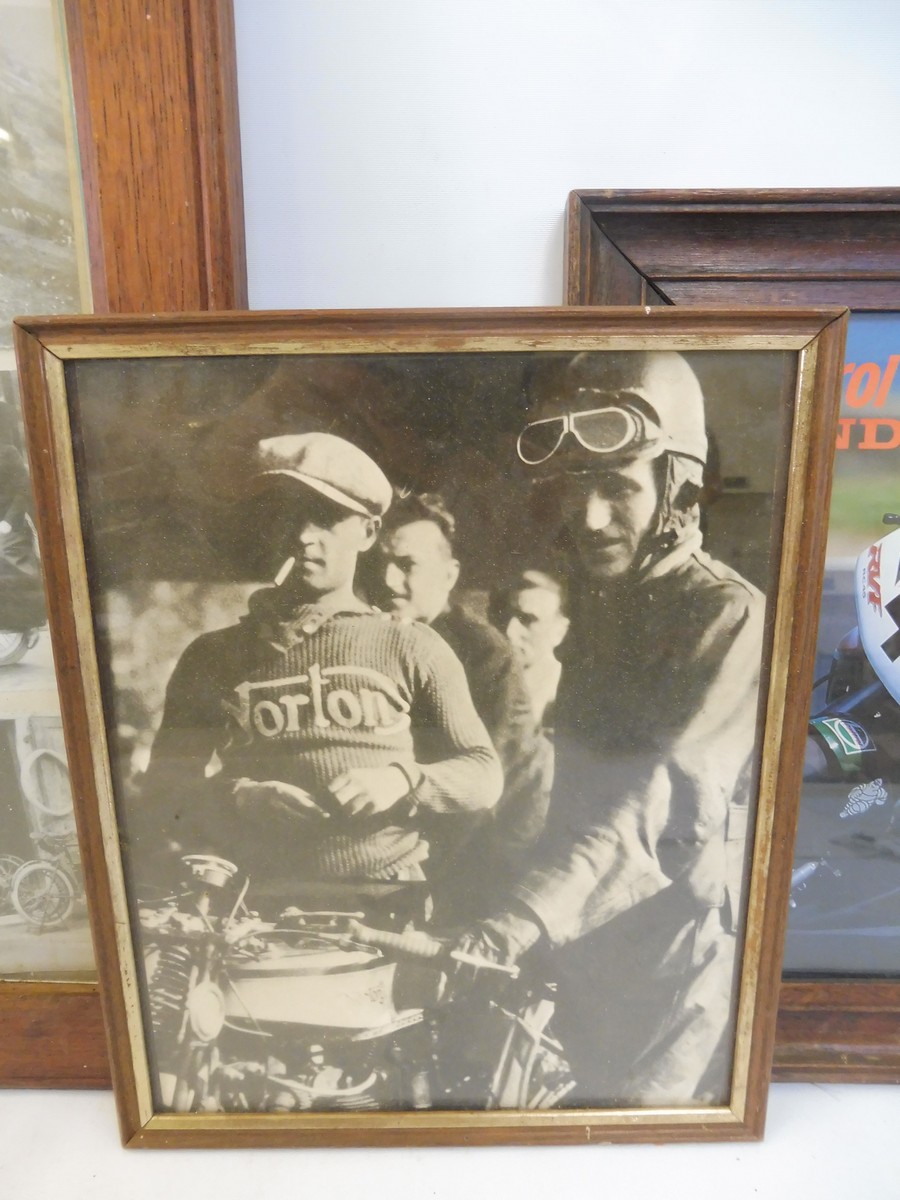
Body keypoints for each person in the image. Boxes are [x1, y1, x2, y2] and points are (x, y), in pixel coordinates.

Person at [459, 350, 766, 1108]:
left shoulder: (727, 614)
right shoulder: (598, 607)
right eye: (575, 489)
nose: (590, 518)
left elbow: (657, 801)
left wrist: (520, 918)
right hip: (578, 965)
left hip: (675, 979)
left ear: (680, 489)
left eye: (619, 488)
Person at [136, 433, 502, 897]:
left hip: (385, 907)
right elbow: (162, 794)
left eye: (327, 518)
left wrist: (403, 780)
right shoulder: (214, 657)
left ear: (369, 532)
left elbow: (484, 774)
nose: (305, 536)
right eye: (287, 515)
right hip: (252, 911)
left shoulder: (409, 646)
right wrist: (239, 797)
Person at [371, 493, 550, 913]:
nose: (388, 581)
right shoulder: (374, 639)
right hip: (402, 857)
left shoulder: (484, 653)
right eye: (380, 565)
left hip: (484, 862)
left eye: (407, 565)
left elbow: (481, 789)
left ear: (449, 575)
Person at [491, 569, 569, 734]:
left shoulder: (567, 700)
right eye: (505, 618)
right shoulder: (487, 684)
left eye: (527, 620)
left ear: (559, 632)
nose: (510, 632)